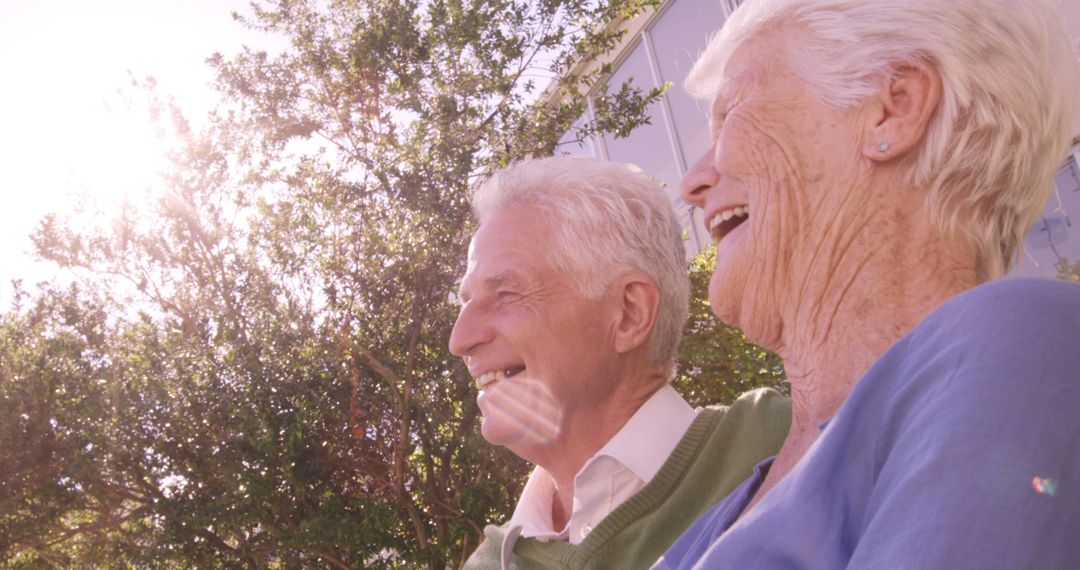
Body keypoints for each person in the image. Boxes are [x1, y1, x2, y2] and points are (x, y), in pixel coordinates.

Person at [651, 0, 1080, 568]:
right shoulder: (724, 514)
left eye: (732, 115)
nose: (692, 182)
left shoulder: (1023, 340)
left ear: (893, 109)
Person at [449, 156, 790, 569]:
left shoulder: (789, 441)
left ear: (629, 313)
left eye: (505, 294)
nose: (460, 340)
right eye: (466, 302)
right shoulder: (488, 563)